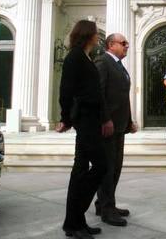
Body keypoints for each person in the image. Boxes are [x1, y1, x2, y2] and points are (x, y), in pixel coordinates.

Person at [56, 20, 111, 239]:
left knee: (80, 170)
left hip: (91, 119)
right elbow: (65, 90)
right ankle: (75, 220)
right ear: (88, 35)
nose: (98, 37)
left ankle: (75, 222)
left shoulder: (85, 57)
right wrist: (65, 118)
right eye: (96, 34)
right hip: (85, 120)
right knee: (100, 166)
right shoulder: (74, 57)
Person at [94, 33, 138, 227]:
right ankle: (107, 209)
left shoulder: (119, 65)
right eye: (123, 43)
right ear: (111, 45)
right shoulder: (103, 62)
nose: (127, 46)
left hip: (119, 126)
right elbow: (99, 93)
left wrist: (129, 121)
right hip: (108, 126)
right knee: (108, 168)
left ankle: (103, 202)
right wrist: (105, 119)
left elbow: (122, 97)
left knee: (115, 167)